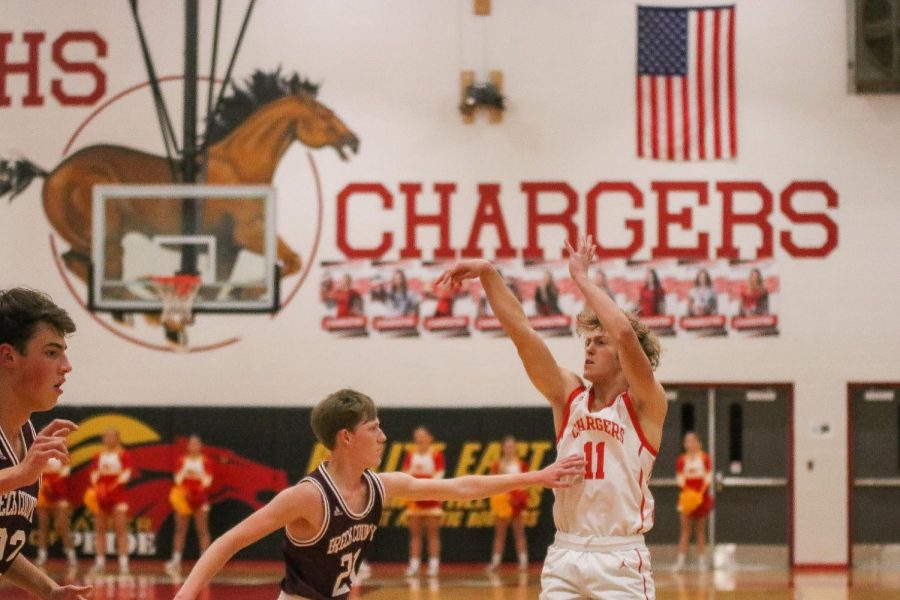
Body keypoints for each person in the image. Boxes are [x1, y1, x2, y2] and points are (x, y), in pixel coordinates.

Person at [174, 388, 583, 600]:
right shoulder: (308, 497)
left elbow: (460, 487)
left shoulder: (381, 486)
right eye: (374, 428)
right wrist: (188, 593)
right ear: (347, 437)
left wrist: (537, 476)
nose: (384, 436)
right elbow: (229, 540)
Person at [438, 235, 667, 599]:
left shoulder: (646, 405)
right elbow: (522, 334)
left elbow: (624, 332)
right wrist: (487, 274)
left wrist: (581, 279)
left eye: (599, 342)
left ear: (624, 357)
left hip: (619, 556)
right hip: (567, 551)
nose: (589, 348)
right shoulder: (569, 395)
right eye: (587, 342)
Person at [0, 287, 92, 599]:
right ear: (8, 356)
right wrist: (19, 475)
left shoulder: (25, 435)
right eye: (52, 352)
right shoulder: (23, 466)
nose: (66, 366)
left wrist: (48, 590)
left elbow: (2, 547)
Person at [86, 427, 132, 574]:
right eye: (107, 436)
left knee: (121, 529)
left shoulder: (123, 454)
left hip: (118, 496)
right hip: (101, 495)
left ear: (117, 438)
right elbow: (93, 474)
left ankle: (123, 563)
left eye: (112, 436)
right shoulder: (98, 455)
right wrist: (99, 490)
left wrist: (111, 488)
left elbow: (126, 474)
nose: (109, 439)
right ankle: (100, 562)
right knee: (99, 529)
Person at [165, 434, 214, 573]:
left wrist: (197, 492)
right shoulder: (182, 460)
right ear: (188, 446)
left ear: (200, 446)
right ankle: (176, 560)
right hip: (184, 497)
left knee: (202, 529)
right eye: (191, 444)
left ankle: (206, 561)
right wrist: (187, 492)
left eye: (196, 444)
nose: (193, 447)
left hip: (200, 497)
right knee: (180, 530)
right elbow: (178, 478)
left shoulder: (206, 461)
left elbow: (208, 480)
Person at [402, 426, 445, 577]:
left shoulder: (436, 454)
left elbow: (440, 473)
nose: (419, 439)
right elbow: (406, 473)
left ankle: (434, 564)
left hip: (431, 497)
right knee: (415, 534)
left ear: (429, 438)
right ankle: (414, 564)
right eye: (417, 436)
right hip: (415, 499)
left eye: (422, 436)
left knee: (433, 533)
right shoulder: (411, 454)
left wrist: (427, 488)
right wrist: (416, 489)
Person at [486, 435, 530, 572]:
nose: (509, 449)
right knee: (500, 533)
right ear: (503, 448)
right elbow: (493, 483)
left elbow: (526, 482)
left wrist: (521, 499)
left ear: (515, 448)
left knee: (519, 532)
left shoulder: (521, 464)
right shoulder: (497, 465)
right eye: (507, 446)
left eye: (512, 446)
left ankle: (523, 562)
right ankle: (495, 562)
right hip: (503, 501)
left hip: (516, 501)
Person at [672, 432, 714, 572]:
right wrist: (688, 495)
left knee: (701, 531)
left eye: (692, 441)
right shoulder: (681, 460)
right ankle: (680, 562)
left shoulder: (705, 458)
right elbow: (680, 480)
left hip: (701, 497)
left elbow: (708, 479)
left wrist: (699, 495)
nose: (689, 444)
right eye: (686, 441)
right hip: (686, 497)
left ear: (698, 442)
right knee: (685, 530)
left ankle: (702, 562)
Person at [35, 457, 78, 569]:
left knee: (62, 526)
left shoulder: (61, 452)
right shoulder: (40, 450)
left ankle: (71, 555)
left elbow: (67, 470)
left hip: (58, 489)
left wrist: (54, 483)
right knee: (43, 526)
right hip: (43, 489)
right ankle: (42, 555)